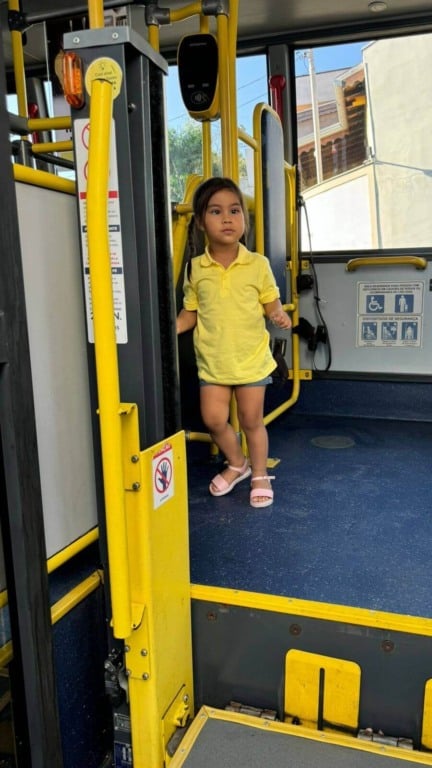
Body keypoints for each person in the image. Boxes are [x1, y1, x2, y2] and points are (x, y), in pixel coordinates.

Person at [177, 177, 291, 508]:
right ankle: (237, 463)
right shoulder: (196, 269)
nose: (227, 219)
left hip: (250, 359)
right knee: (213, 419)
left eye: (234, 210)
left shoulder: (257, 264)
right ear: (200, 222)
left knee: (252, 420)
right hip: (213, 361)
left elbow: (271, 304)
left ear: (244, 219)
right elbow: (190, 313)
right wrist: (171, 329)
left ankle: (258, 474)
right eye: (216, 211)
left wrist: (278, 316)